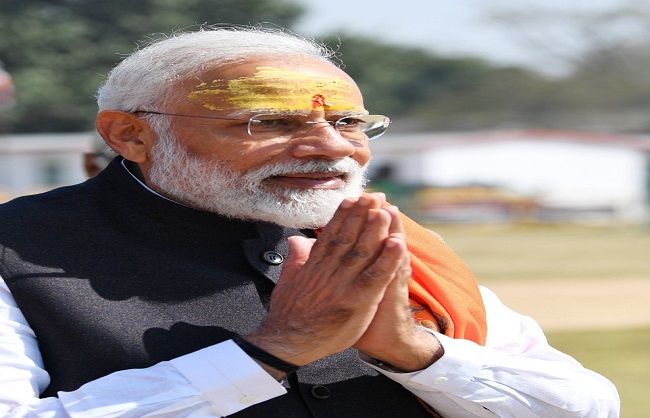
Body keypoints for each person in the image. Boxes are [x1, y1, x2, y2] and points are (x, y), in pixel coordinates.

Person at [0, 27, 619, 418]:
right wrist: (275, 352)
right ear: (131, 135)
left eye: (349, 123)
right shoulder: (17, 248)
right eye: (269, 122)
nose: (331, 148)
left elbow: (584, 407)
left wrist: (413, 352)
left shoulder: (383, 241)